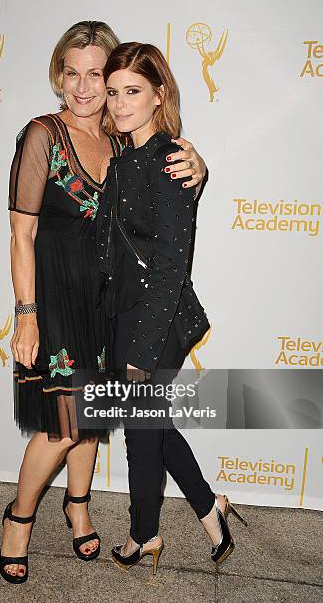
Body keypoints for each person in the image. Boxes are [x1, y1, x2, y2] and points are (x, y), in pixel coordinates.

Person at [0, 22, 208, 585]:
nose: (87, 87)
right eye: (74, 73)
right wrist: (26, 314)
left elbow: (159, 198)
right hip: (58, 298)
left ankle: (78, 506)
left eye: (98, 74)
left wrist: (201, 166)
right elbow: (22, 234)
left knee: (93, 419)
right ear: (58, 76)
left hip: (110, 300)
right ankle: (18, 520)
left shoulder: (122, 136)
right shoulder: (42, 135)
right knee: (65, 422)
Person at [98, 42, 248, 576]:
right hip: (125, 315)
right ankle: (211, 508)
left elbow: (170, 268)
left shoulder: (170, 161)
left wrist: (139, 348)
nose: (119, 103)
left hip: (156, 321)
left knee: (143, 435)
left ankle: (145, 536)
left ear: (159, 94)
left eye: (133, 91)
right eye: (113, 92)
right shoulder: (121, 157)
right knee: (152, 426)